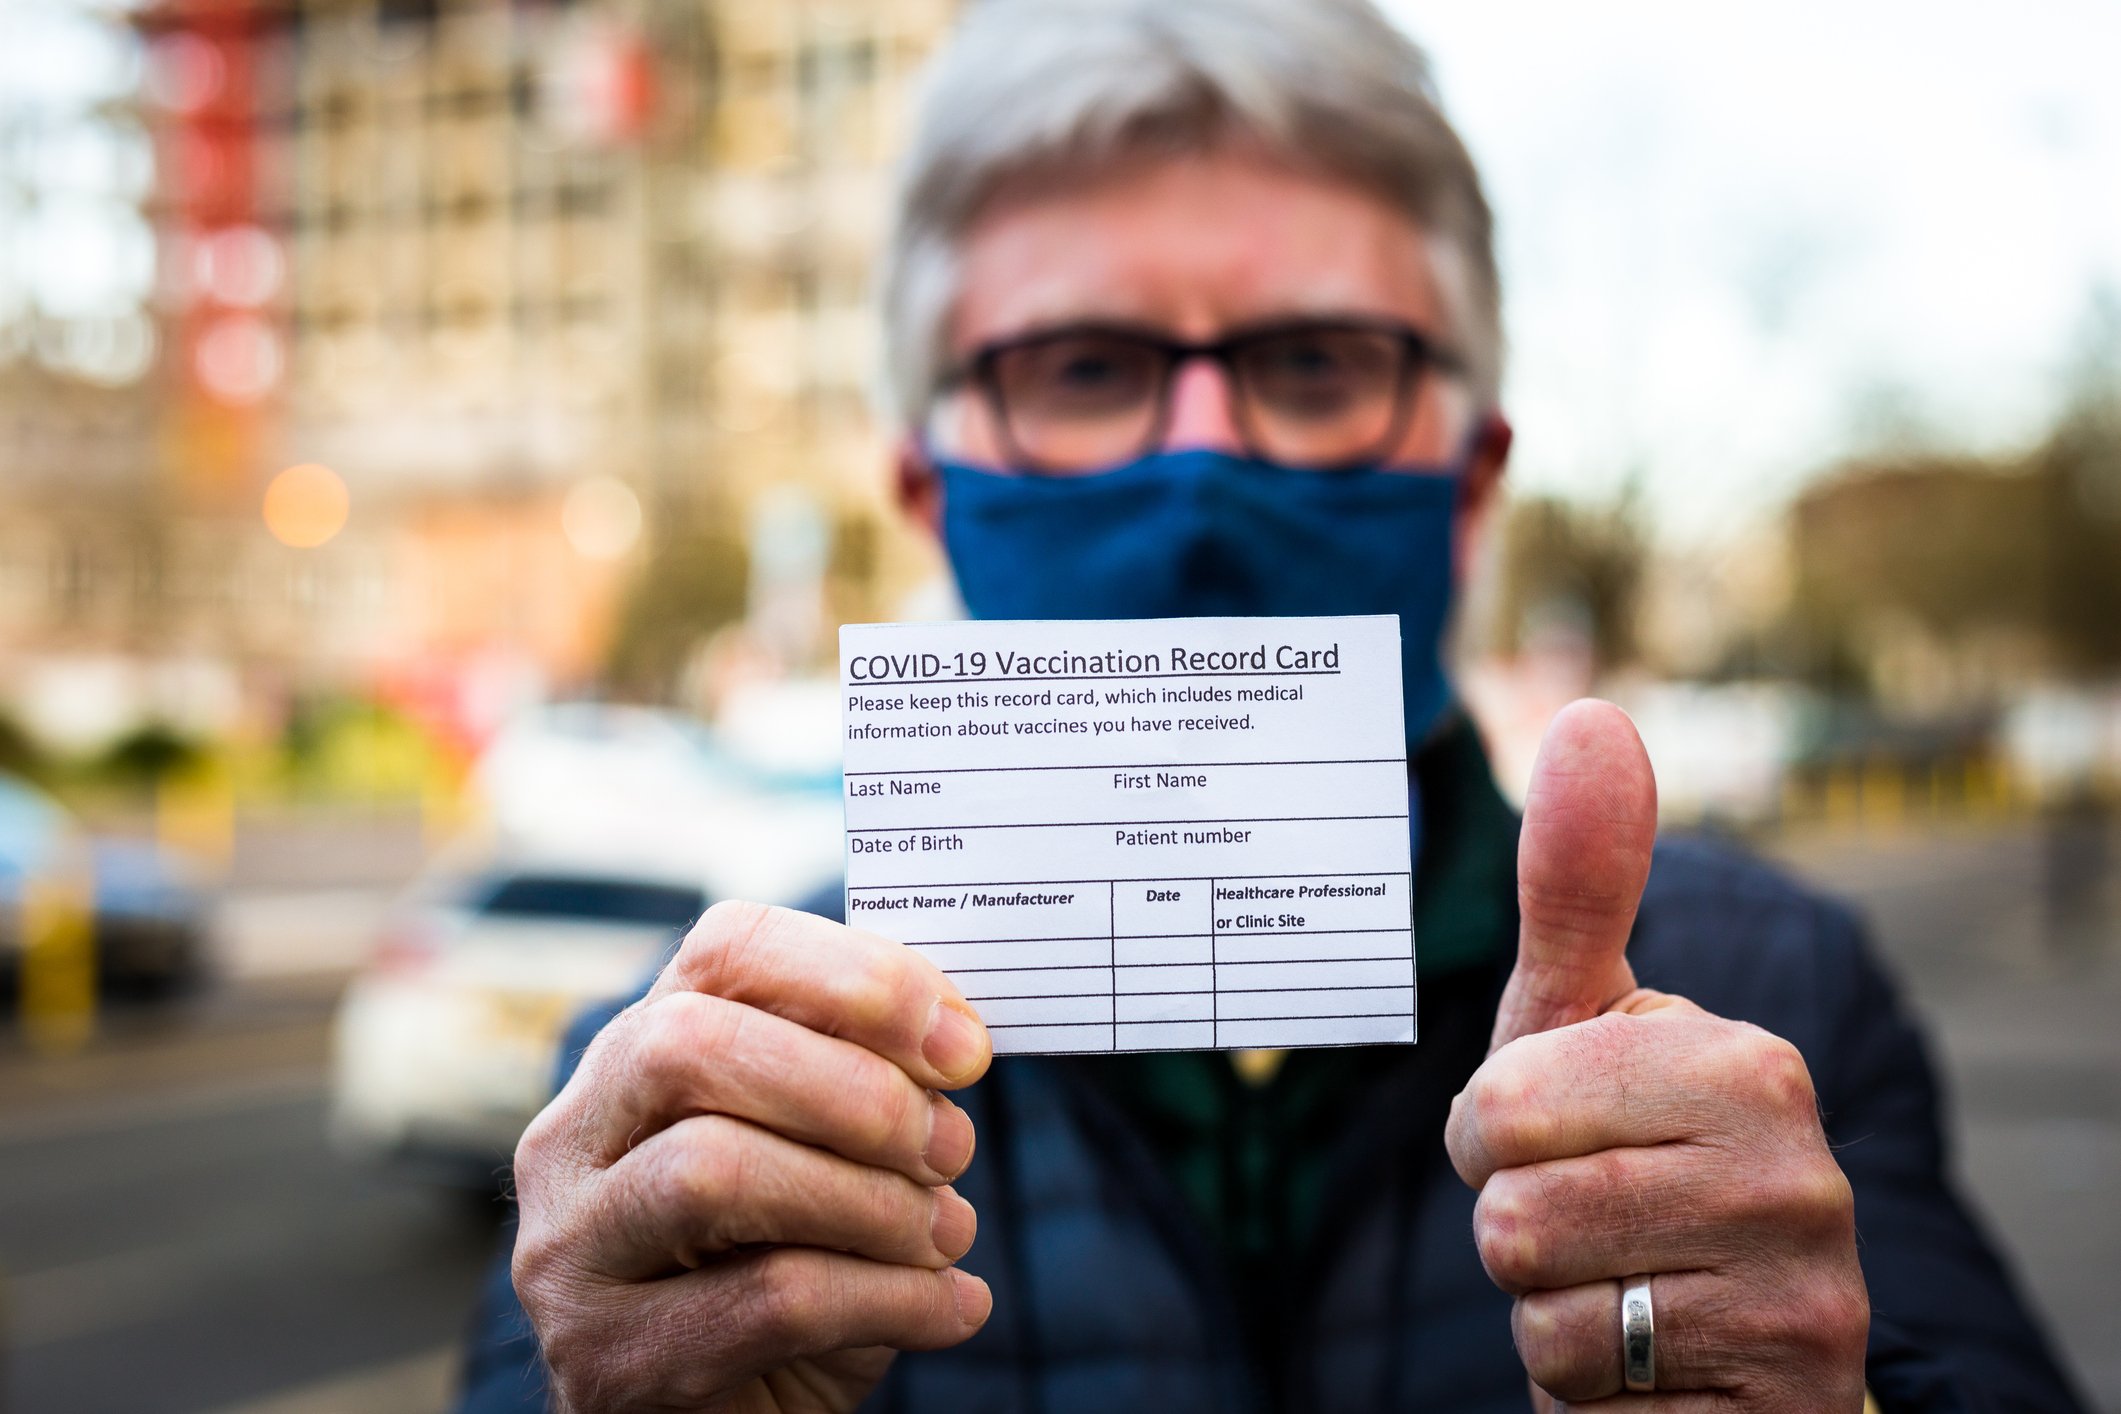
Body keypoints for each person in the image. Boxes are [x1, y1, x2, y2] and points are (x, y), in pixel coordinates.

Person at [461, 1, 2090, 1409]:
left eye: (1314, 364)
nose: (1199, 470)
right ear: (927, 488)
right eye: (1081, 368)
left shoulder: (1770, 998)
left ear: (1471, 484)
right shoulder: (690, 1083)